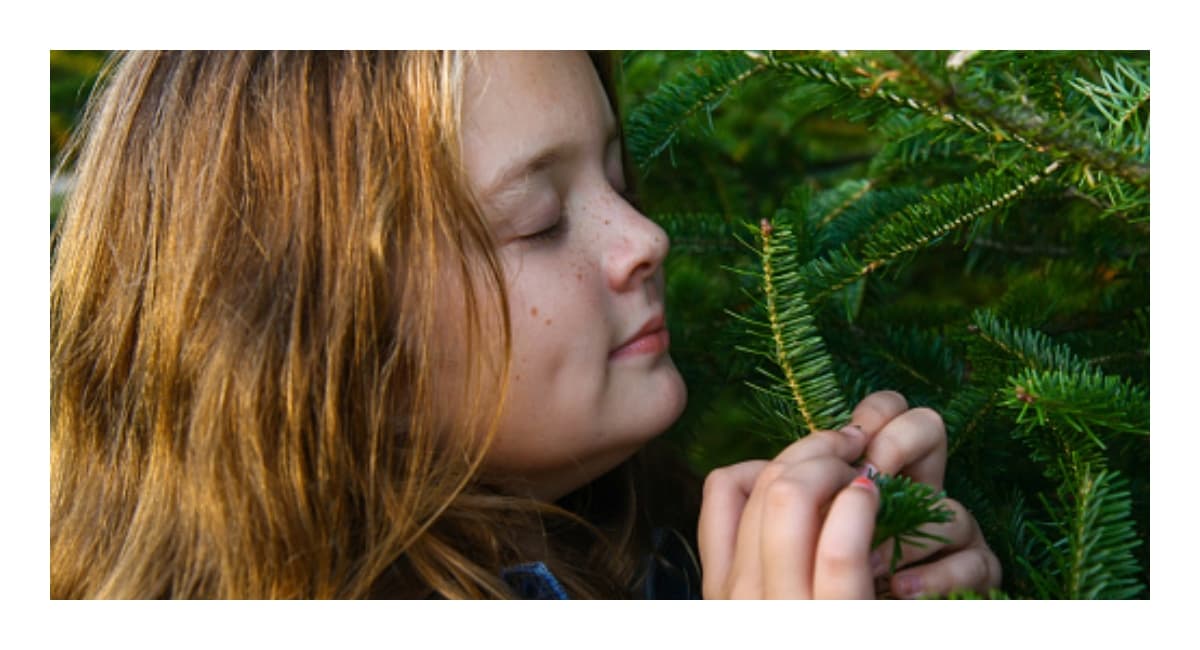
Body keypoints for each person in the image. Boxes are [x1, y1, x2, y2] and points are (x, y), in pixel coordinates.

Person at [50, 51, 1000, 599]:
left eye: (619, 177)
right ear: (319, 349)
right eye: (538, 222)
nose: (646, 237)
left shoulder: (637, 548)